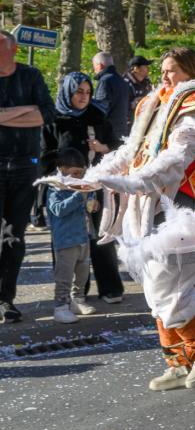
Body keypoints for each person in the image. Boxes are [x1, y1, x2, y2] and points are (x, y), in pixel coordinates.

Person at [62, 47, 195, 391]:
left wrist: (133, 181)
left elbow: (177, 156)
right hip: (150, 203)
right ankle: (178, 361)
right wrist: (96, 176)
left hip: (186, 205)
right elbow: (133, 151)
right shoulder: (154, 102)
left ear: (190, 70)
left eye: (172, 70)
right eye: (163, 70)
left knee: (168, 285)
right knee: (154, 287)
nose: (164, 76)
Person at [44, 73, 124, 304]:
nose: (84, 97)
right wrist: (65, 164)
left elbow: (118, 147)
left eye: (88, 92)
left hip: (95, 186)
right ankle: (74, 292)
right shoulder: (54, 120)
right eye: (79, 91)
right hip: (65, 190)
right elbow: (43, 156)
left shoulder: (97, 117)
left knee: (101, 235)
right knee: (68, 241)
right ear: (67, 92)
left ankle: (110, 288)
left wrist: (102, 147)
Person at [0, 29, 56, 323]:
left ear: (13, 49)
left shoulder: (30, 76)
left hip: (25, 165)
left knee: (14, 236)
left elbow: (46, 114)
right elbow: (35, 113)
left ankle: (5, 299)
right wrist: (25, 112)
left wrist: (4, 114)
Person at [46, 148, 98, 323]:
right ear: (62, 169)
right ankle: (60, 307)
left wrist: (93, 203)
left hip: (83, 237)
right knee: (64, 277)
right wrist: (79, 195)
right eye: (75, 173)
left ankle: (78, 300)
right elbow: (58, 210)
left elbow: (88, 206)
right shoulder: (55, 188)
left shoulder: (81, 184)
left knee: (82, 273)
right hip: (66, 240)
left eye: (81, 173)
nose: (78, 177)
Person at [92, 52, 131, 144]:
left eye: (94, 66)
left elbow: (100, 110)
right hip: (122, 130)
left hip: (109, 134)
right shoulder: (122, 81)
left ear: (100, 65)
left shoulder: (105, 81)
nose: (94, 70)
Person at [124, 56, 154, 123]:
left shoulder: (147, 81)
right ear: (136, 69)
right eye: (145, 66)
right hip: (129, 122)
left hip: (144, 119)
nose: (148, 68)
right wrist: (133, 103)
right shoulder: (124, 84)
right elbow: (120, 106)